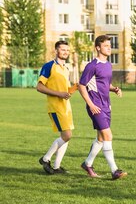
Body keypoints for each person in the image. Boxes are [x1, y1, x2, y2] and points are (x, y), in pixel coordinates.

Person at [77, 35, 127, 180]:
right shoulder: (92, 65)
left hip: (106, 106)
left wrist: (114, 89)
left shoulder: (108, 65)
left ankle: (87, 163)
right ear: (98, 48)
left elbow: (105, 85)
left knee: (100, 138)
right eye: (106, 46)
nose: (109, 48)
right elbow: (81, 86)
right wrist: (91, 104)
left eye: (109, 46)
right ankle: (114, 170)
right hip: (96, 107)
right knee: (108, 136)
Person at [37, 40, 78, 174]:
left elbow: (66, 91)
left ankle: (56, 167)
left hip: (66, 107)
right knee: (67, 135)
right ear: (56, 51)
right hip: (55, 106)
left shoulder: (65, 69)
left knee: (65, 136)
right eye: (62, 49)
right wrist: (59, 94)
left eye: (67, 50)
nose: (65, 52)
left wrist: (76, 87)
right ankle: (45, 158)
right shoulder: (49, 66)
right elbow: (40, 87)